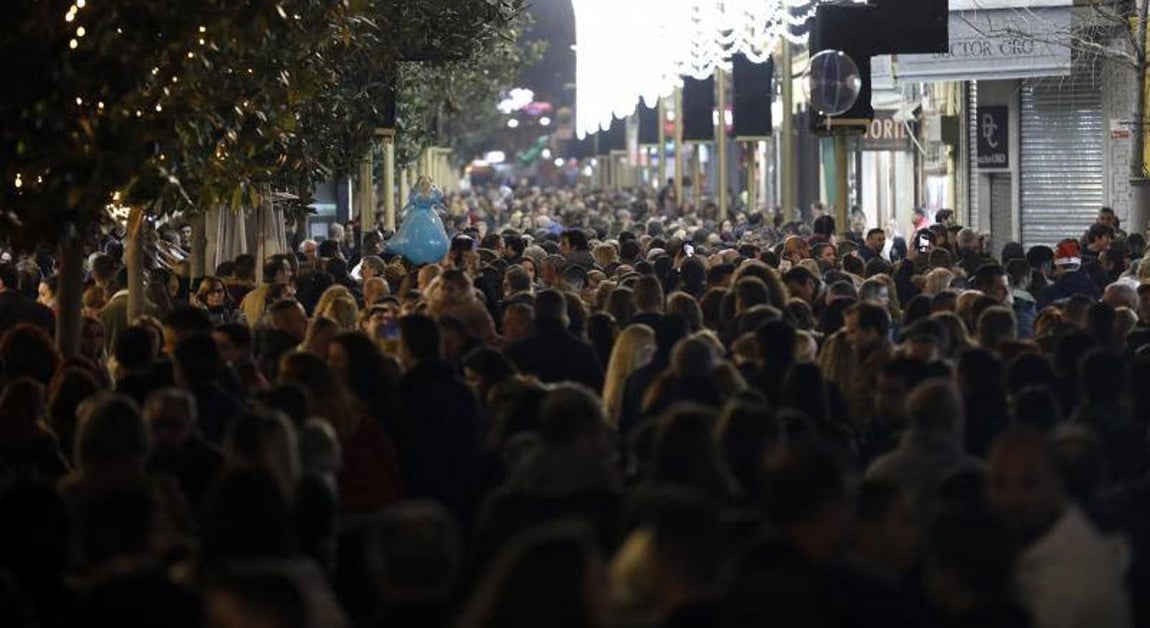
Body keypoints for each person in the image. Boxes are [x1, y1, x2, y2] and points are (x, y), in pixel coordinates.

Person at [504, 290, 604, 390]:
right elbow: (598, 388)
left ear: (534, 314)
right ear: (564, 315)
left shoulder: (516, 351)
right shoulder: (583, 351)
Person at [386, 178, 451, 265]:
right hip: (416, 215)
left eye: (427, 184)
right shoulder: (417, 194)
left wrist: (444, 209)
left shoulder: (432, 194)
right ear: (420, 185)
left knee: (431, 233)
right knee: (414, 234)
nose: (425, 186)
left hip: (429, 215)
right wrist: (402, 211)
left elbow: (437, 203)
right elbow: (410, 204)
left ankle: (427, 253)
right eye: (423, 184)